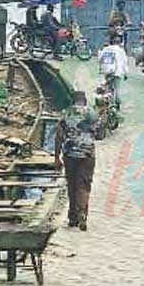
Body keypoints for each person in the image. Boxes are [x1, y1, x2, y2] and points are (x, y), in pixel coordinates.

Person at [55, 91, 100, 231]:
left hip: (70, 154)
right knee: (84, 185)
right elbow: (97, 133)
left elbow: (58, 136)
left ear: (73, 101)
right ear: (85, 100)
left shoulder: (66, 113)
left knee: (72, 185)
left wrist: (56, 157)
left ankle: (72, 217)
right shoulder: (92, 113)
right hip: (87, 154)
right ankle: (82, 213)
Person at [99, 36, 129, 106]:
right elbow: (124, 62)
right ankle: (117, 101)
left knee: (108, 87)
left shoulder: (106, 49)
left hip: (107, 71)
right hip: (117, 72)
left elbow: (100, 58)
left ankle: (108, 100)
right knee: (117, 88)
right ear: (119, 43)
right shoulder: (121, 50)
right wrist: (125, 73)